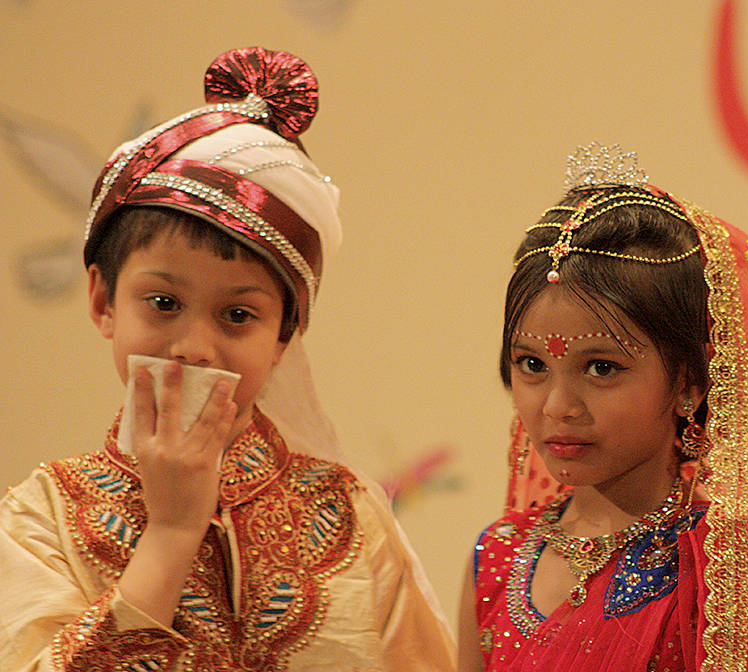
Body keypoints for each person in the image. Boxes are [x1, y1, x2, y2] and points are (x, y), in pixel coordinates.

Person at [0, 47, 455, 671]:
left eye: (238, 316)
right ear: (103, 301)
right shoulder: (40, 517)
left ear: (285, 337)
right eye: (163, 302)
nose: (194, 347)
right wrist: (171, 534)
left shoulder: (347, 516)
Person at [457, 143, 748, 672]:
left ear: (689, 383)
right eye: (531, 364)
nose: (557, 405)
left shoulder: (729, 556)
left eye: (601, 368)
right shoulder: (499, 559)